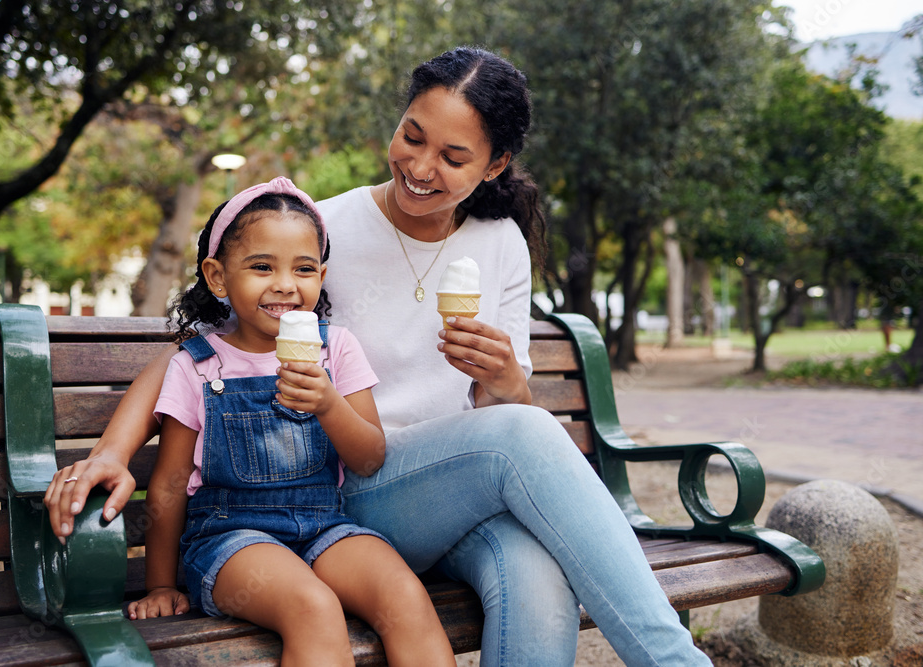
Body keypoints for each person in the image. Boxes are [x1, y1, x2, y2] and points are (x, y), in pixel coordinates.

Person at [46, 47, 711, 666]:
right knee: (526, 432)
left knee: (537, 575)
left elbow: (495, 418)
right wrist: (112, 448)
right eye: (412, 136)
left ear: (496, 165)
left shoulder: (501, 242)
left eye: (454, 157)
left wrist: (506, 379)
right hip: (342, 485)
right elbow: (200, 355)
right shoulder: (321, 232)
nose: (421, 168)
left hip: (448, 494)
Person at [123, 177, 455, 666]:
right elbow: (170, 484)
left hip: (324, 526)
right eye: (261, 267)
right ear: (217, 277)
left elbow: (369, 457)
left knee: (404, 593)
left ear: (321, 276)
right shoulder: (197, 365)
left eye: (303, 269)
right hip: (230, 538)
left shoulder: (335, 349)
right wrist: (160, 585)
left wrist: (328, 404)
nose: (284, 284)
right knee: (313, 606)